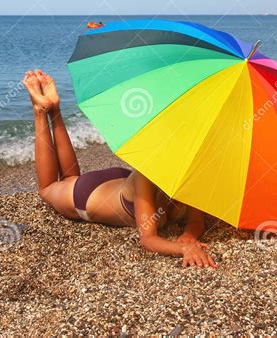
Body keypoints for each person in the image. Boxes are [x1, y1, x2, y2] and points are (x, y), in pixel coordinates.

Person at [23, 70, 217, 268]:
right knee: (48, 188)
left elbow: (196, 221)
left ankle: (55, 109)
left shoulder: (192, 170)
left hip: (120, 182)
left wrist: (189, 235)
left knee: (71, 176)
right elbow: (148, 239)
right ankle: (41, 110)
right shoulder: (148, 175)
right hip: (89, 194)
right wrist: (183, 249)